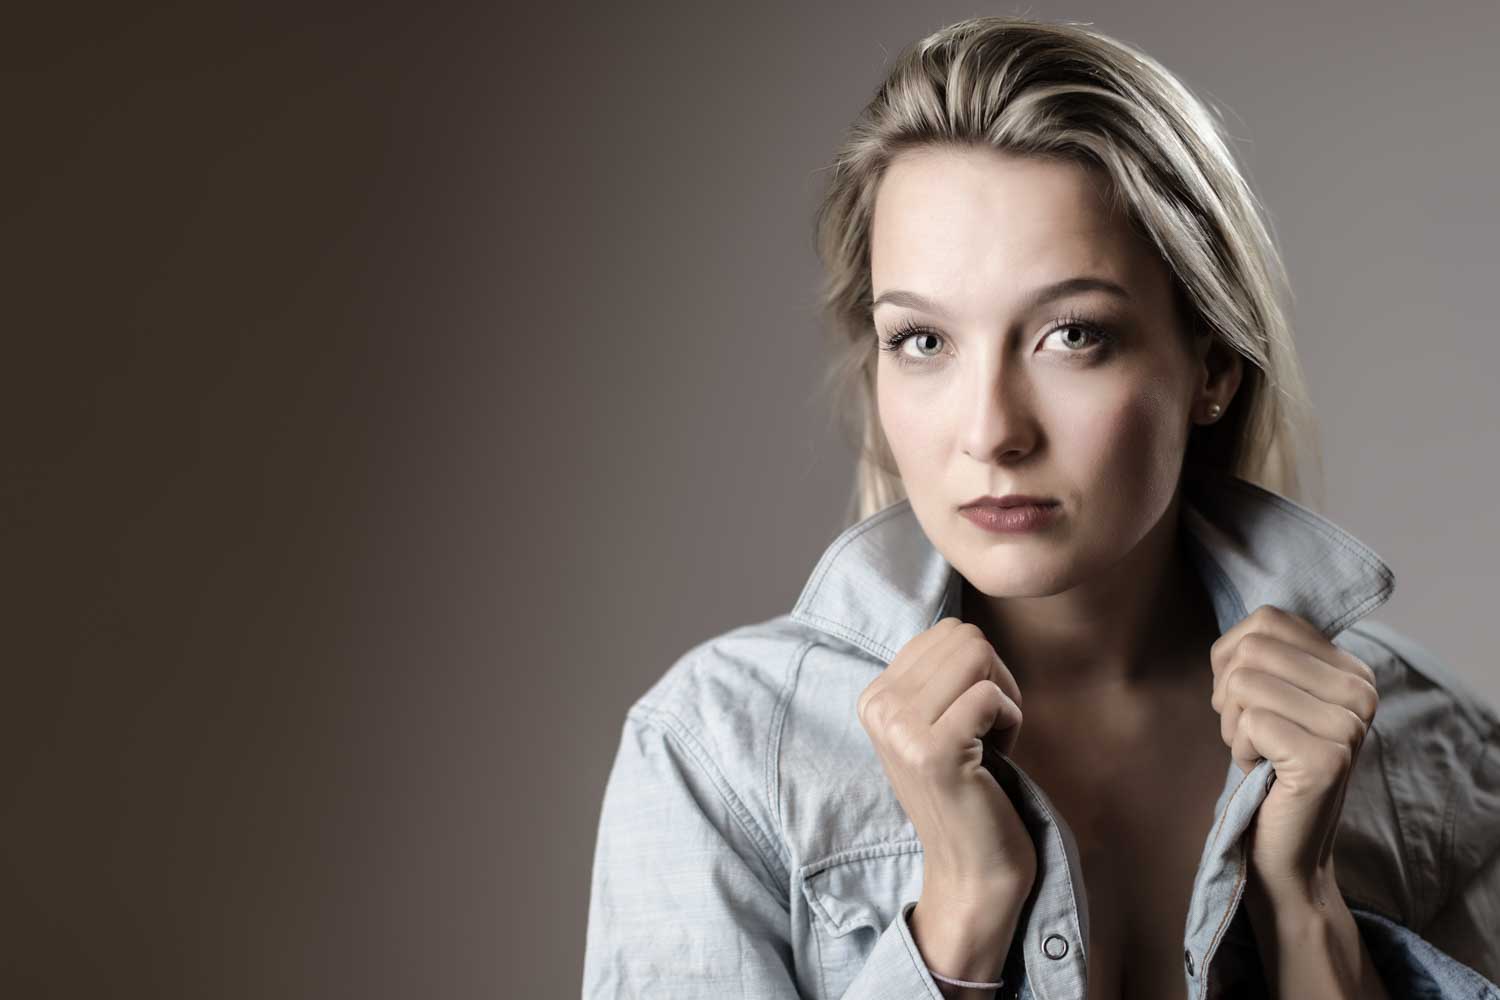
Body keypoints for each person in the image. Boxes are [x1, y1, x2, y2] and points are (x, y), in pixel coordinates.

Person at [582, 15, 1500, 1000]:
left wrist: (1308, 917)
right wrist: (959, 921)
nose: (991, 431)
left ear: (1213, 369)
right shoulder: (720, 752)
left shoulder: (1438, 754)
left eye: (1071, 334)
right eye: (923, 341)